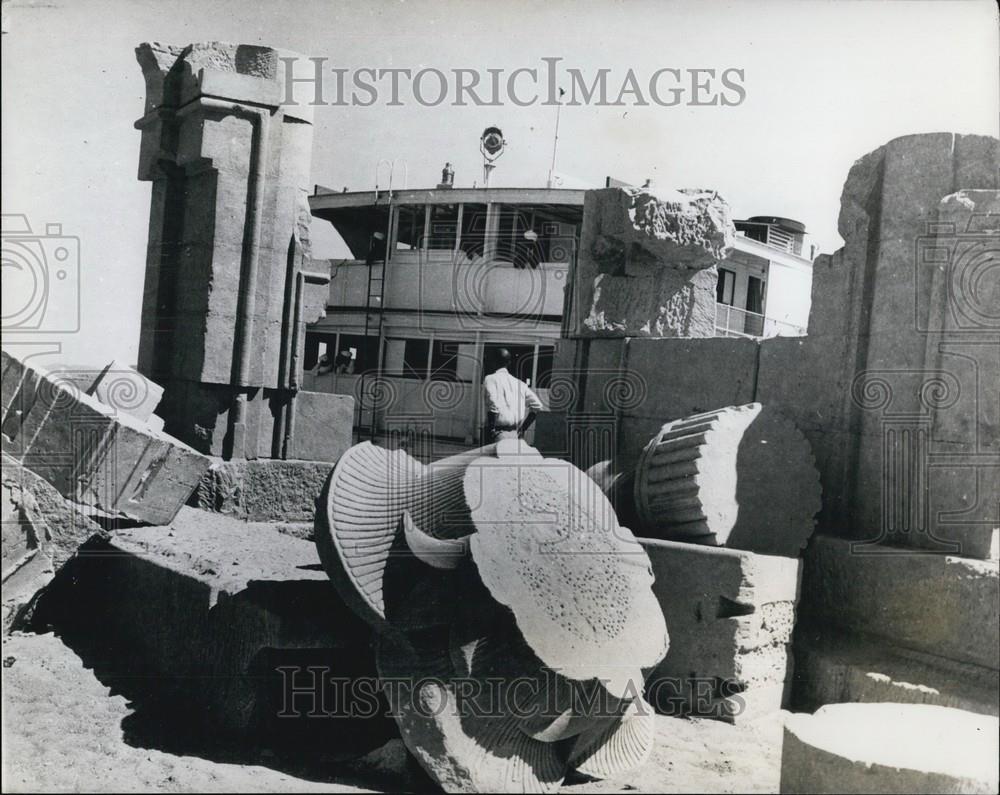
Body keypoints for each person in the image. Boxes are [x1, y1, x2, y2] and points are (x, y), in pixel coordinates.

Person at [483, 348, 543, 443]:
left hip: (497, 433)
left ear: (493, 361)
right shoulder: (520, 384)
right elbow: (538, 406)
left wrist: (491, 430)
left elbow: (492, 404)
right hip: (515, 434)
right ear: (509, 363)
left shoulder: (490, 379)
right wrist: (523, 429)